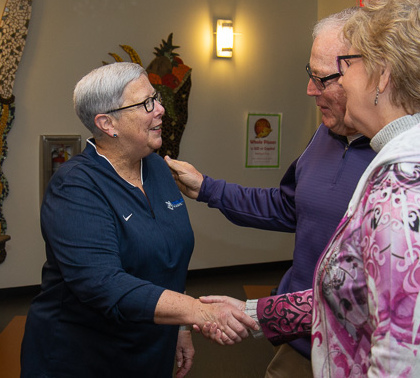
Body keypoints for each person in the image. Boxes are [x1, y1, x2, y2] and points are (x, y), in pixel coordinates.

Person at [199, 0, 420, 377]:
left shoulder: (411, 200)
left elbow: (406, 367)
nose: (334, 83)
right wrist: (254, 312)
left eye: (344, 68)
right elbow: (368, 294)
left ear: (384, 75)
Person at [165, 8, 376, 378]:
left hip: (364, 354)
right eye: (309, 74)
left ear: (370, 76)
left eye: (323, 79)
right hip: (300, 342)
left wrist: (255, 313)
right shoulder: (324, 135)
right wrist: (208, 188)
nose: (311, 90)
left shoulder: (403, 163)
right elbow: (288, 207)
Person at [20, 62, 258, 378]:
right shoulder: (75, 186)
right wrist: (201, 312)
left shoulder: (159, 169)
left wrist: (181, 326)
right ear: (107, 123)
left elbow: (166, 259)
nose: (160, 109)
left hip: (149, 348)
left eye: (156, 98)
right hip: (82, 358)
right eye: (146, 103)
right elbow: (103, 284)